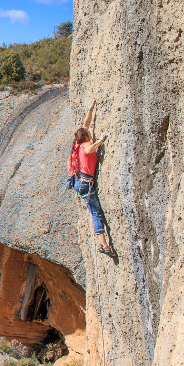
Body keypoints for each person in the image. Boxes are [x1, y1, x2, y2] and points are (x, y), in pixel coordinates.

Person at [68, 99, 112, 255]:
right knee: (96, 213)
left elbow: (85, 126)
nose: (90, 135)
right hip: (86, 183)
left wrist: (90, 110)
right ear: (86, 137)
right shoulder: (86, 145)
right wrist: (100, 140)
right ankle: (105, 245)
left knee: (93, 212)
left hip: (79, 182)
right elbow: (90, 149)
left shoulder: (76, 144)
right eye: (89, 135)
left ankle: (103, 243)